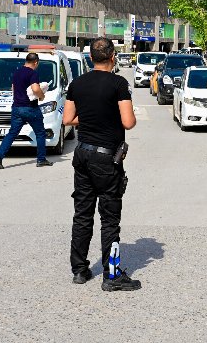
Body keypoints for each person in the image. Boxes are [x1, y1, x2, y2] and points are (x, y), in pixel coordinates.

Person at [62, 37, 141, 291]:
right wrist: (111, 119)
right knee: (109, 218)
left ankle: (80, 270)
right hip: (107, 158)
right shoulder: (119, 84)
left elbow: (67, 119)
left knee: (82, 214)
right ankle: (112, 274)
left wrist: (89, 119)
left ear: (90, 58)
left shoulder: (77, 83)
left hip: (82, 154)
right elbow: (128, 122)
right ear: (113, 57)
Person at [0, 52, 53, 169]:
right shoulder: (33, 73)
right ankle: (41, 159)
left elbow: (13, 88)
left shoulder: (17, 72)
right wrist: (41, 96)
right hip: (30, 108)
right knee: (40, 133)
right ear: (36, 62)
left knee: (12, 133)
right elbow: (35, 88)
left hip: (17, 108)